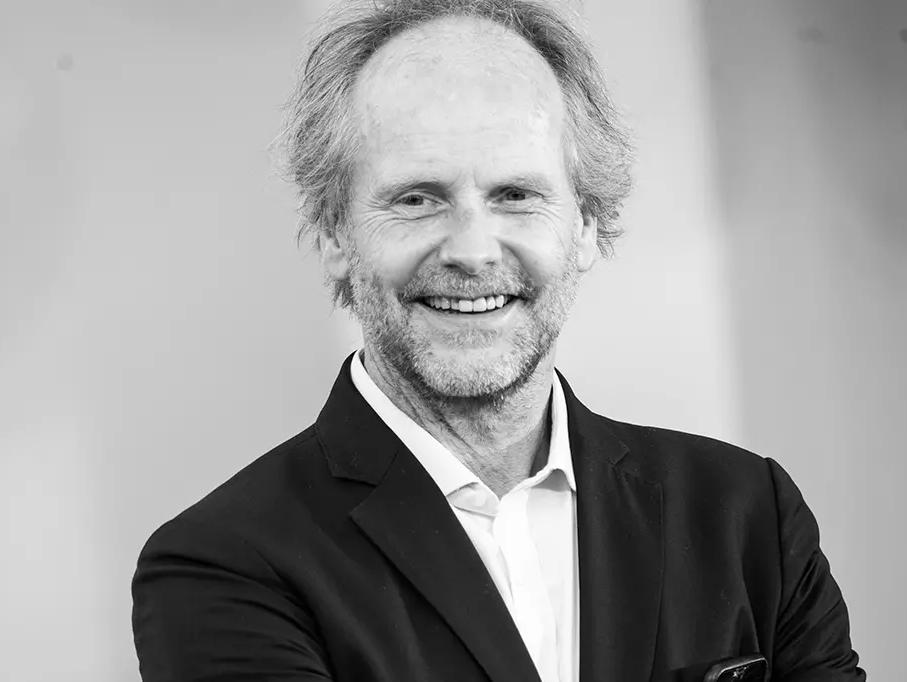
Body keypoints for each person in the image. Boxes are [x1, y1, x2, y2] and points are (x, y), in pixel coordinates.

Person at [131, 1, 865, 680]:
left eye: (516, 195)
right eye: (417, 199)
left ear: (585, 225)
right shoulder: (226, 564)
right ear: (333, 235)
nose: (473, 251)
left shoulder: (746, 516)